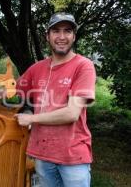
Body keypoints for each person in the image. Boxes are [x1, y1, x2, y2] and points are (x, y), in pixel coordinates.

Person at [15, 12, 96, 187]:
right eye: (56, 31)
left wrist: (31, 118)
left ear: (74, 36)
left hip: (73, 155)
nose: (61, 37)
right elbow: (13, 90)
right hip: (42, 154)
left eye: (67, 31)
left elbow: (72, 113)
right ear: (47, 36)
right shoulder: (36, 68)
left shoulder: (83, 66)